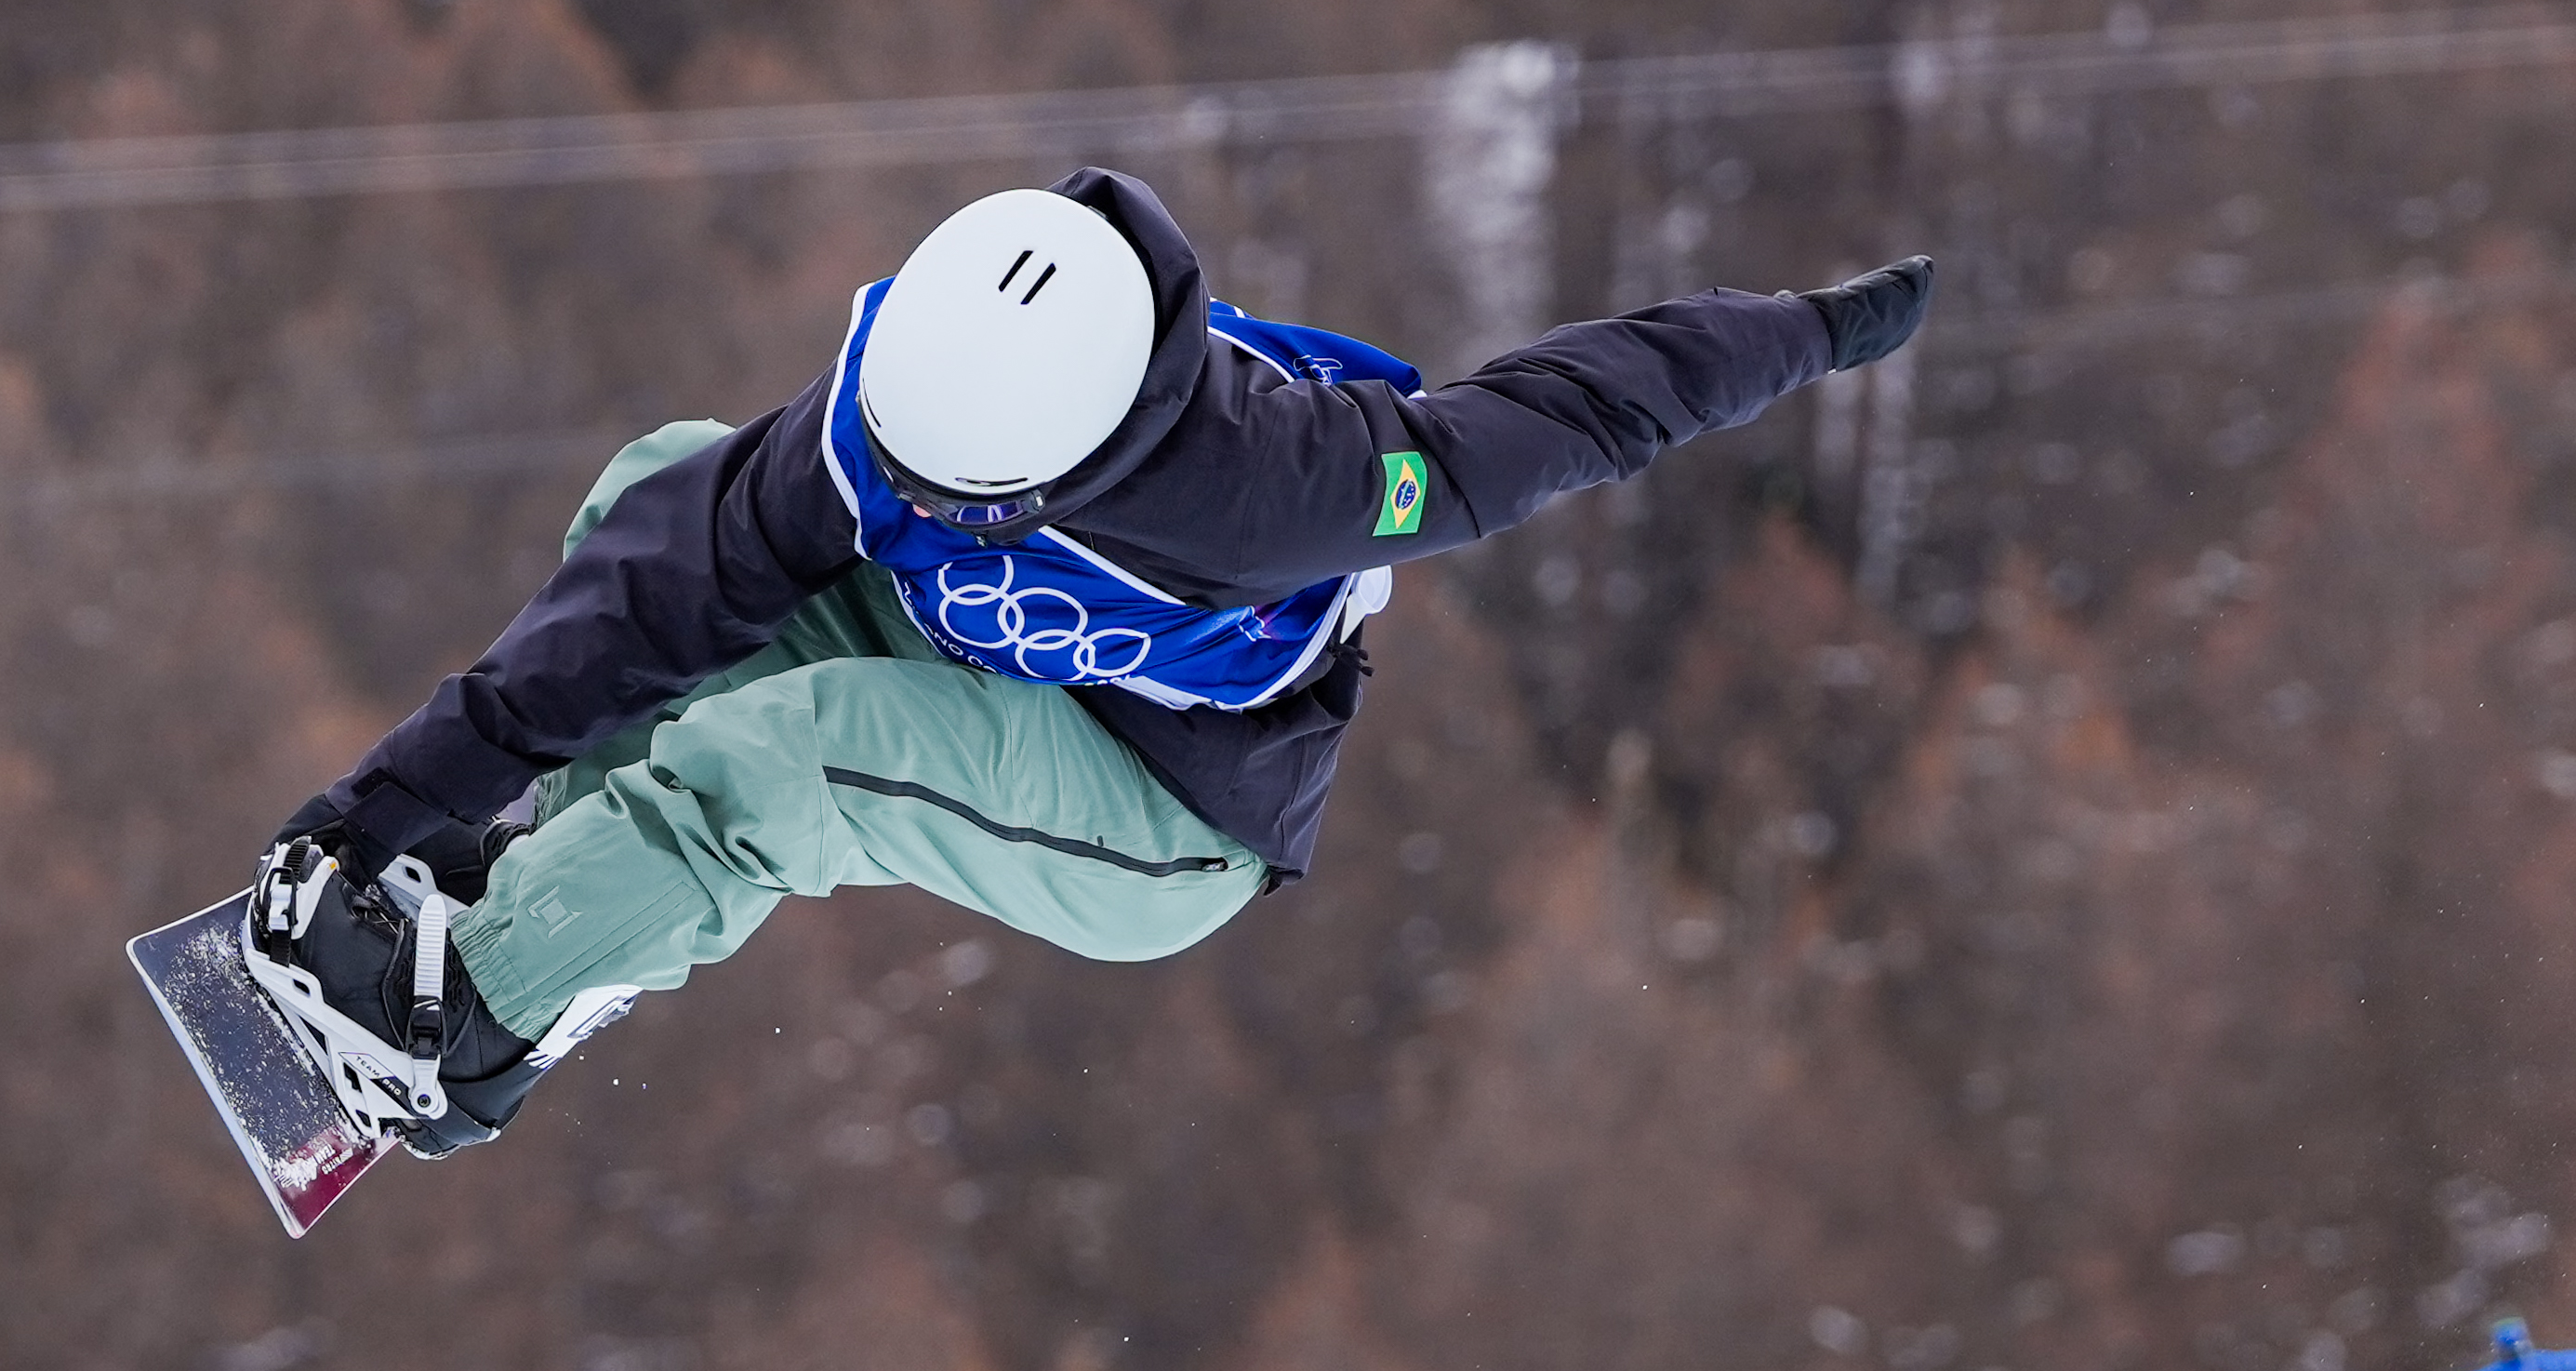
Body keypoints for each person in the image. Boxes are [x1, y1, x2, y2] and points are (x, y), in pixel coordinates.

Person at [244, 168, 1934, 1154]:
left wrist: (1821, 328)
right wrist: (381, 812)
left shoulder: (1295, 492)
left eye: (934, 495)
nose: (885, 496)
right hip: (986, 672)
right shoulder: (881, 414)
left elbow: (1582, 406)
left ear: (1061, 477)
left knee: (792, 756)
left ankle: (463, 1045)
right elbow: (637, 606)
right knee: (662, 484)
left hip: (1158, 813)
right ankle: (552, 900)